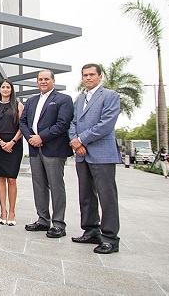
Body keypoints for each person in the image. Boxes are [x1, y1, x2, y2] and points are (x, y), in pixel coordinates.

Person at [69, 63, 122, 254]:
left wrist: (81, 140)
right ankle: (91, 230)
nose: (88, 78)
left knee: (106, 196)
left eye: (92, 74)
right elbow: (73, 122)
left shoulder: (110, 96)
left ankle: (109, 238)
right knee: (86, 194)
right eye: (85, 75)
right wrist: (75, 141)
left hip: (102, 153)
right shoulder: (80, 98)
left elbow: (106, 124)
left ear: (100, 77)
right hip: (82, 154)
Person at [19, 69, 73, 238]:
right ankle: (43, 220)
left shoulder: (63, 99)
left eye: (46, 79)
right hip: (35, 149)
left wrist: (41, 137)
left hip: (53, 149)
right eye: (40, 79)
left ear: (53, 81)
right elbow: (23, 122)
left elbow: (63, 124)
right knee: (39, 185)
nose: (43, 81)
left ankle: (58, 224)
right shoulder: (31, 101)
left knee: (56, 185)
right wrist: (31, 139)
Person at [0, 79, 24, 226]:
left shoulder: (18, 106)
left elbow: (23, 126)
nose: (5, 89)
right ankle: (3, 211)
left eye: (8, 87)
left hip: (14, 145)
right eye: (2, 87)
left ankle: (12, 212)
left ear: (11, 90)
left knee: (11, 179)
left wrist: (12, 142)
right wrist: (1, 142)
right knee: (0, 178)